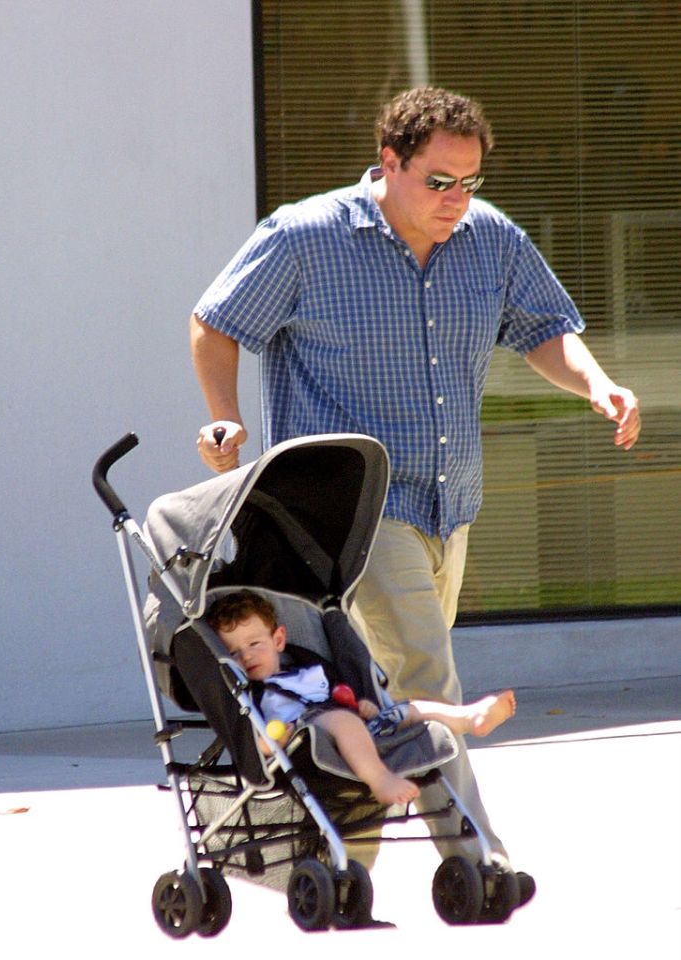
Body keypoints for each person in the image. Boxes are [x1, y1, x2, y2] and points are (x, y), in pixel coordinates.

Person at [189, 86, 641, 896]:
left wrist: (597, 384)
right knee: (430, 676)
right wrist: (224, 417)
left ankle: (334, 862)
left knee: (379, 695)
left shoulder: (487, 237)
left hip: (448, 501)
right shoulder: (304, 236)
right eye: (439, 181)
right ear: (388, 163)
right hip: (346, 510)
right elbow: (216, 322)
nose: (457, 199)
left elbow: (542, 328)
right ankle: (475, 857)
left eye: (469, 181)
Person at [207, 590, 517, 807]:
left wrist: (360, 705)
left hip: (353, 724)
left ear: (278, 640)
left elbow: (339, 694)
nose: (245, 655)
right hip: (306, 736)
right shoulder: (251, 693)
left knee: (405, 708)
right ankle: (380, 779)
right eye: (233, 652)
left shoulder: (309, 667)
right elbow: (252, 733)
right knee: (341, 720)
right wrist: (264, 743)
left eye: (254, 643)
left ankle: (469, 717)